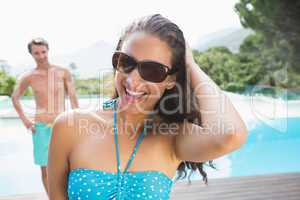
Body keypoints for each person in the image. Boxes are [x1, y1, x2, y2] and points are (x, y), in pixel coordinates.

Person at [48, 14, 247, 200]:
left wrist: (191, 64)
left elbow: (230, 135)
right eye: (125, 62)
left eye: (152, 70)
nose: (133, 81)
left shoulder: (173, 136)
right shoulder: (69, 126)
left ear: (171, 80)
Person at [11, 37, 79, 195]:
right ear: (31, 54)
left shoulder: (63, 73)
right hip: (41, 127)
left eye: (43, 52)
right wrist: (26, 121)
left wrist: (76, 120)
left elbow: (74, 99)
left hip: (62, 126)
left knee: (69, 166)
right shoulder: (28, 76)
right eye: (36, 53)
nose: (41, 56)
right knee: (46, 169)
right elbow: (15, 98)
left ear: (48, 50)